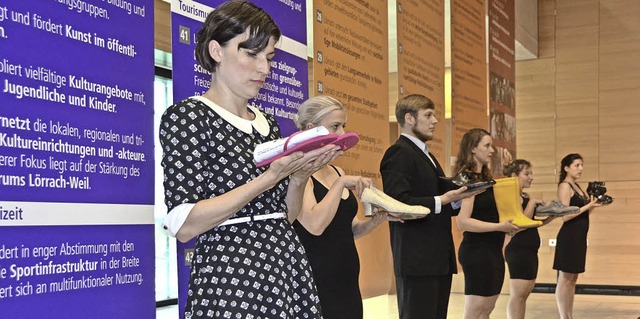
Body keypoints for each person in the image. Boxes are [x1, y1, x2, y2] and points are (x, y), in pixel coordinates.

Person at [158, 2, 340, 318]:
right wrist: (268, 178)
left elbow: (287, 217)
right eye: (251, 54)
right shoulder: (189, 116)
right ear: (216, 51)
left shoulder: (267, 122)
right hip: (231, 278)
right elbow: (184, 225)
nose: (264, 69)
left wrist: (297, 178)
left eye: (268, 57)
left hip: (284, 270)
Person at [291, 95, 400, 319]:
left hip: (346, 274)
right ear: (312, 129)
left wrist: (377, 219)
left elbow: (349, 230)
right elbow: (314, 226)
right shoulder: (299, 173)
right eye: (335, 126)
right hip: (316, 275)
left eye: (343, 126)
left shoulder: (337, 171)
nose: (342, 134)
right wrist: (341, 183)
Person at [380, 94, 478, 319]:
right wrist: (443, 199)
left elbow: (438, 199)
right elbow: (397, 202)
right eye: (428, 115)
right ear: (409, 118)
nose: (435, 121)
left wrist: (460, 197)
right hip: (417, 260)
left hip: (436, 259)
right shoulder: (399, 153)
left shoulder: (427, 155)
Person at [455, 128, 520, 319]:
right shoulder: (468, 179)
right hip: (477, 251)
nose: (492, 150)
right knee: (476, 310)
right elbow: (463, 222)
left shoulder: (487, 180)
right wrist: (500, 227)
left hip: (493, 249)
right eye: (487, 145)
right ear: (473, 149)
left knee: (487, 309)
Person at [503, 159, 555, 319]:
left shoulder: (523, 196)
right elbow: (519, 224)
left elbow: (530, 224)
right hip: (518, 250)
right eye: (526, 174)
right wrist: (532, 202)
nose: (531, 177)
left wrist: (549, 219)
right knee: (518, 295)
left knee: (524, 295)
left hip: (529, 250)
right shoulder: (510, 196)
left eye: (531, 173)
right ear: (514, 175)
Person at [553, 153, 600, 319]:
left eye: (581, 165)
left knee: (573, 278)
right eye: (577, 165)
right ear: (567, 168)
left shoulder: (577, 186)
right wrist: (589, 205)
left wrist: (595, 204)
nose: (580, 169)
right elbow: (565, 216)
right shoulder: (565, 186)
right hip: (569, 236)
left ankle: (569, 315)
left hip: (579, 236)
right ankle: (563, 316)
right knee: (565, 278)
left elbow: (583, 213)